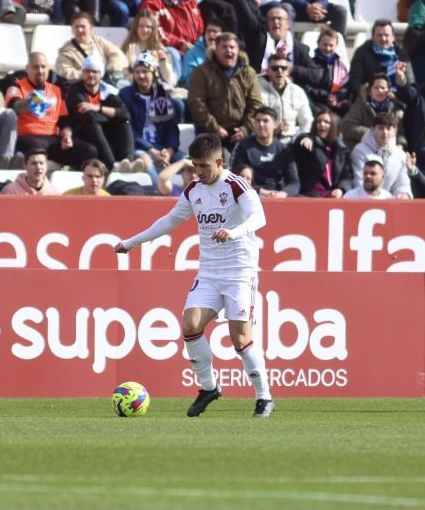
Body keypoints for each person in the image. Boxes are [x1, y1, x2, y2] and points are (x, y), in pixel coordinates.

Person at [114, 133, 274, 418]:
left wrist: (233, 232)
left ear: (219, 161)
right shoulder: (193, 190)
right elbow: (168, 221)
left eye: (203, 166)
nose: (198, 172)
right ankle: (209, 387)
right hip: (210, 272)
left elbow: (259, 218)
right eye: (195, 166)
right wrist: (132, 242)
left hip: (240, 272)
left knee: (240, 340)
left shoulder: (237, 186)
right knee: (190, 325)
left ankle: (264, 396)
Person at [0, 52, 99, 170]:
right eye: (36, 67)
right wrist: (30, 101)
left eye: (43, 67)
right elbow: (14, 107)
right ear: (27, 69)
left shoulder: (56, 90)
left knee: (89, 151)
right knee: (36, 149)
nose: (40, 70)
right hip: (27, 136)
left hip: (52, 138)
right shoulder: (16, 86)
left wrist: (66, 136)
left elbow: (63, 119)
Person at [187, 31, 263, 151]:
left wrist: (245, 129)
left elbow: (256, 104)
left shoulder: (249, 73)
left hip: (241, 131)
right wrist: (214, 127)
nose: (228, 51)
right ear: (216, 51)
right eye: (224, 47)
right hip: (209, 130)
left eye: (232, 47)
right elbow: (196, 103)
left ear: (238, 50)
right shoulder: (201, 72)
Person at [119, 52, 183, 185]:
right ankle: (159, 195)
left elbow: (172, 128)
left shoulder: (162, 95)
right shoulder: (125, 95)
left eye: (145, 71)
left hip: (163, 149)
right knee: (145, 162)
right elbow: (127, 128)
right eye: (137, 72)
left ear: (154, 73)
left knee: (188, 161)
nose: (140, 76)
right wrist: (151, 150)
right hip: (139, 148)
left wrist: (169, 151)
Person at [65, 54, 135, 171]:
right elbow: (89, 116)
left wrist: (98, 108)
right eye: (87, 71)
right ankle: (112, 166)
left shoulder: (108, 91)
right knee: (93, 124)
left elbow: (126, 114)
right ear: (83, 73)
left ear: (101, 74)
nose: (91, 75)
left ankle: (127, 164)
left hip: (104, 134)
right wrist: (113, 116)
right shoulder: (75, 91)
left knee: (124, 124)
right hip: (82, 135)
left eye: (94, 71)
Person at [197, 0, 266, 63]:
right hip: (225, 48)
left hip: (250, 50)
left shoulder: (249, 0)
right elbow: (214, 30)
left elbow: (253, 27)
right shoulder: (211, 1)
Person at [230, 106, 300, 197]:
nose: (261, 124)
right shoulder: (242, 147)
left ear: (275, 124)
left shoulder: (284, 150)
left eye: (265, 121)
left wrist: (283, 193)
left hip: (277, 198)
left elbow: (294, 182)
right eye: (258, 121)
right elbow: (234, 180)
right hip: (250, 195)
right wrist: (262, 192)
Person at [140, 0, 204, 55]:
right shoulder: (152, 2)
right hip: (166, 50)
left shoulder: (191, 1)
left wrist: (198, 45)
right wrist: (180, 44)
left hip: (192, 49)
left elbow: (200, 27)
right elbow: (153, 30)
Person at [348, 105, 411, 198]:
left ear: (395, 131)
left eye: (389, 128)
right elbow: (360, 182)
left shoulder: (400, 155)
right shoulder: (360, 151)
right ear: (373, 130)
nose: (385, 132)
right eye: (381, 128)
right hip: (364, 202)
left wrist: (404, 195)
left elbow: (402, 182)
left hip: (390, 203)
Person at [55, 11, 128, 83]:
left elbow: (118, 55)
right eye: (76, 27)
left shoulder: (99, 41)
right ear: (72, 29)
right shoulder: (66, 50)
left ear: (91, 29)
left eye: (83, 27)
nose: (79, 30)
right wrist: (89, 75)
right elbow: (64, 71)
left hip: (106, 82)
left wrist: (109, 71)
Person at [292, 111, 352, 197]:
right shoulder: (311, 142)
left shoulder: (342, 150)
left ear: (335, 126)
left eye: (326, 122)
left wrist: (341, 189)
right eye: (318, 121)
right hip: (309, 195)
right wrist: (305, 138)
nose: (322, 124)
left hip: (332, 195)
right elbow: (300, 143)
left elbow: (347, 177)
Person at [257, 52, 313, 143]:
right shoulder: (258, 90)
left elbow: (307, 120)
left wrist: (303, 137)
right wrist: (273, 129)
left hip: (292, 140)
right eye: (275, 68)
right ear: (267, 71)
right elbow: (255, 119)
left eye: (283, 68)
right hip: (266, 139)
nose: (279, 71)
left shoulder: (297, 91)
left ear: (288, 71)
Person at [348, 20, 409, 98]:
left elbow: (410, 86)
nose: (383, 39)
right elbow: (354, 81)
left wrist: (401, 79)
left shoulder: (401, 54)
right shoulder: (362, 52)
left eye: (386, 35)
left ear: (393, 37)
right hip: (367, 100)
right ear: (372, 37)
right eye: (379, 35)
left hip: (396, 101)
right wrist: (371, 95)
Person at [121, 9, 181, 87]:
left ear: (153, 29)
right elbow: (122, 79)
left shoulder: (160, 49)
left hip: (161, 91)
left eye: (148, 27)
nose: (145, 30)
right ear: (136, 28)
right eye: (141, 26)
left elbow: (171, 81)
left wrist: (163, 62)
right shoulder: (128, 48)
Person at [341, 74, 399, 151]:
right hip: (363, 150)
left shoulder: (393, 108)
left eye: (383, 88)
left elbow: (400, 133)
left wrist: (401, 144)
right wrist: (372, 133)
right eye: (376, 88)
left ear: (388, 91)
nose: (380, 91)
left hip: (389, 150)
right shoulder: (360, 106)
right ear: (370, 91)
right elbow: (346, 126)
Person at [305, 28, 351, 116]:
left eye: (331, 45)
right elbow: (306, 87)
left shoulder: (341, 66)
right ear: (318, 44)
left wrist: (336, 97)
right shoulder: (310, 64)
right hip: (317, 103)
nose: (328, 48)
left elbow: (347, 87)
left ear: (336, 45)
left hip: (337, 103)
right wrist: (326, 96)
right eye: (324, 45)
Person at [180, 18, 223, 87]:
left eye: (215, 31)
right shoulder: (191, 54)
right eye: (208, 31)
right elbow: (189, 80)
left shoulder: (228, 52)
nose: (211, 34)